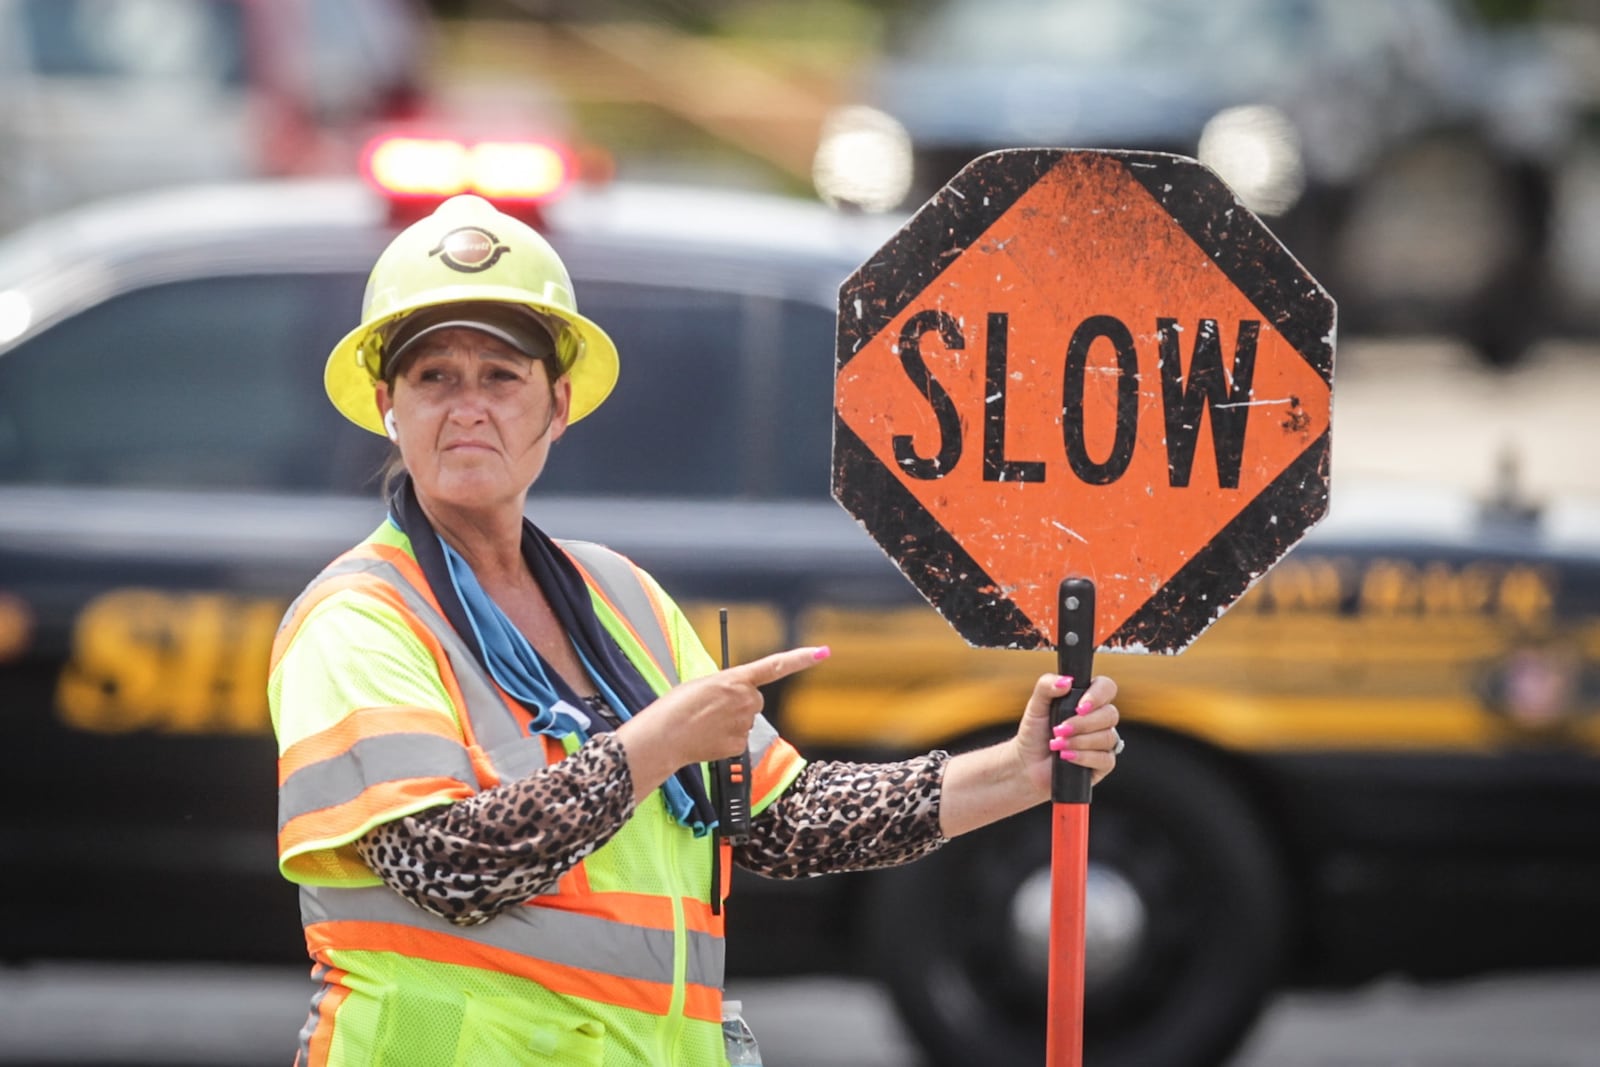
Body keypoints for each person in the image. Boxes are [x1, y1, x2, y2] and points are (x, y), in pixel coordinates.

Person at [269, 193, 1122, 1066]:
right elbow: (451, 865)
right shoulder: (360, 618)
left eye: (502, 376)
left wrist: (1015, 774)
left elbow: (780, 821)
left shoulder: (622, 597)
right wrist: (656, 744)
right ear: (389, 403)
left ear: (557, 406)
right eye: (434, 377)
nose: (468, 406)